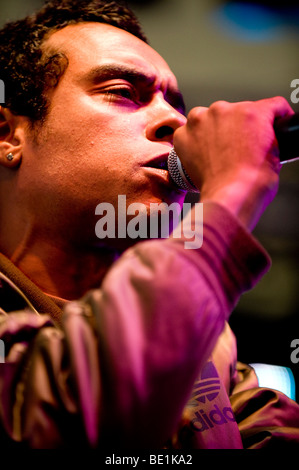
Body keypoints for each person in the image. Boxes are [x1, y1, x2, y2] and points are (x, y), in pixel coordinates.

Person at [0, 0, 298, 449]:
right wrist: (234, 188)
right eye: (123, 92)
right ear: (8, 136)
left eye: (176, 105)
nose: (176, 123)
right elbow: (77, 416)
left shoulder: (211, 339)